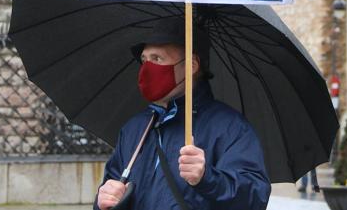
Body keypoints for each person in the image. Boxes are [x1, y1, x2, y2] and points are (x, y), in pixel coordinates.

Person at [94, 17, 271, 210]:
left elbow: (254, 198)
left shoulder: (230, 128)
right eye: (144, 59)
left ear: (191, 66)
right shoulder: (134, 129)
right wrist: (103, 201)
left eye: (157, 59)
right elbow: (113, 189)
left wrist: (207, 178)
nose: (147, 68)